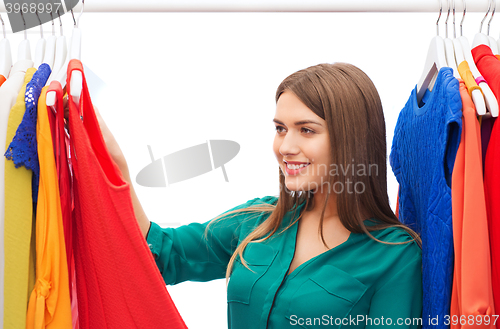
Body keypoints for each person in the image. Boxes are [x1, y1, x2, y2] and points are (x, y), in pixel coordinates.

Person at [80, 62, 423, 328]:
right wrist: (116, 167)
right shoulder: (258, 220)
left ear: (351, 140)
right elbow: (162, 255)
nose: (286, 147)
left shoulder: (395, 256)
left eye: (306, 130)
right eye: (280, 129)